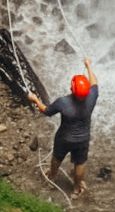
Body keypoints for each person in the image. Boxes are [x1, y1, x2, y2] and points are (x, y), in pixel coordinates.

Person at [28, 57, 98, 195]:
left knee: (57, 158)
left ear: (72, 88)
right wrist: (88, 66)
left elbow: (46, 111)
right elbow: (94, 83)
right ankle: (78, 186)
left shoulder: (63, 103)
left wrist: (35, 99)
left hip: (64, 139)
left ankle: (52, 176)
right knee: (80, 163)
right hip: (83, 139)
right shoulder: (92, 97)